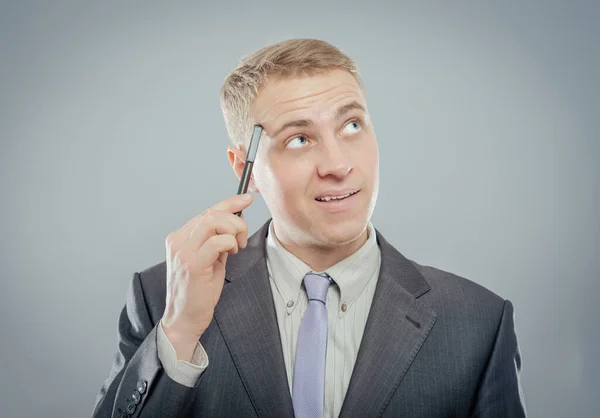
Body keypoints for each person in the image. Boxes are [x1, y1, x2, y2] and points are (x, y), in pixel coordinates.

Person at [92, 39, 527, 418]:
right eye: (299, 139)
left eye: (352, 125)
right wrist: (180, 330)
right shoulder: (161, 299)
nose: (339, 165)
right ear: (246, 169)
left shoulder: (477, 323)